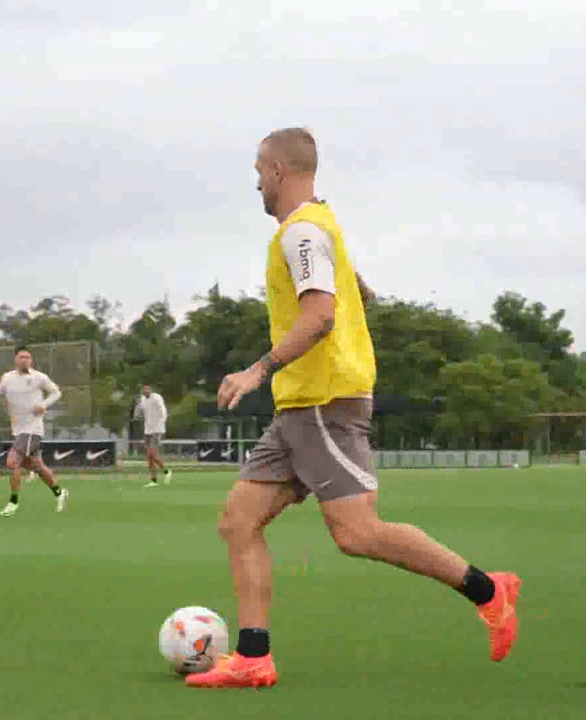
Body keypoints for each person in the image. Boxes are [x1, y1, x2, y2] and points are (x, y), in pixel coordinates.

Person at [184, 128, 522, 689]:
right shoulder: (320, 227)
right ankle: (252, 656)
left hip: (323, 402)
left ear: (279, 171)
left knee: (358, 533)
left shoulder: (302, 232)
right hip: (299, 407)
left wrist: (256, 370)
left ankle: (490, 591)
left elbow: (320, 316)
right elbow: (357, 294)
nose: (257, 183)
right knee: (239, 521)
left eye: (259, 171)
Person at [0, 347, 67, 517]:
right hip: (18, 429)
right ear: (16, 359)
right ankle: (59, 492)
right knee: (36, 466)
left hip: (32, 429)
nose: (25, 360)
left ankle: (13, 502)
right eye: (22, 357)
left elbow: (56, 392)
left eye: (28, 357)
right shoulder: (7, 378)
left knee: (12, 462)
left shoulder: (38, 377)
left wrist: (44, 405)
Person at [133, 383, 171, 487]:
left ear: (151, 390)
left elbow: (163, 411)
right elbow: (138, 411)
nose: (146, 391)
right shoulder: (143, 400)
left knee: (153, 455)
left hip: (157, 430)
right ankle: (153, 480)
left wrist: (161, 422)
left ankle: (167, 471)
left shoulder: (157, 398)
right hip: (148, 430)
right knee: (149, 457)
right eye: (144, 390)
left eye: (148, 389)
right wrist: (137, 413)